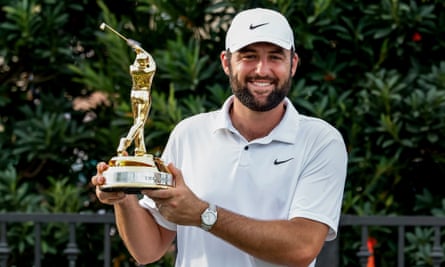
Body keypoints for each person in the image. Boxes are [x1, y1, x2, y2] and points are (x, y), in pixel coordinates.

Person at [91, 7, 347, 267]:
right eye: (248, 56)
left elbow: (302, 247)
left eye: (275, 57)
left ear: (292, 64)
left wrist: (204, 215)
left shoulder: (321, 141)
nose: (262, 69)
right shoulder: (189, 133)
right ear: (226, 63)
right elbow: (148, 250)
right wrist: (123, 198)